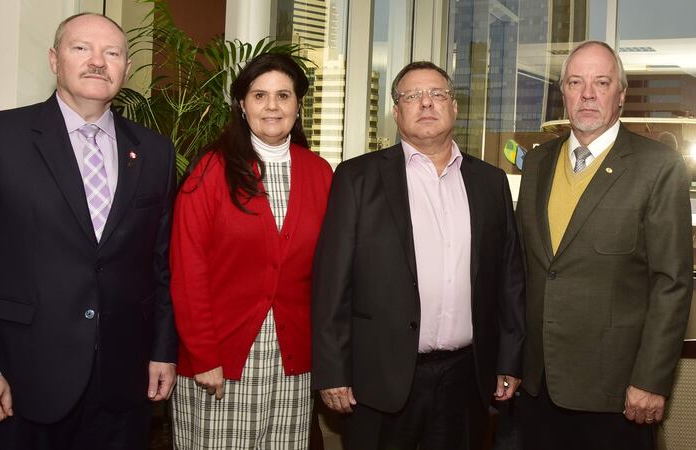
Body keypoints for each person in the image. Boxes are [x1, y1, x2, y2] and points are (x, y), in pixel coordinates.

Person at [0, 13, 178, 450]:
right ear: (53, 60)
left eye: (112, 53)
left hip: (122, 385)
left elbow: (160, 263)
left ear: (127, 68)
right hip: (18, 383)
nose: (98, 61)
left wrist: (162, 349)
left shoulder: (154, 151)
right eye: (82, 48)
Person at [311, 61, 526, 450]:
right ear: (396, 111)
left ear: (455, 107)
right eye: (413, 96)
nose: (426, 103)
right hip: (380, 381)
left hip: (467, 379)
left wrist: (509, 361)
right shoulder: (356, 178)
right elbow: (331, 284)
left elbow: (509, 280)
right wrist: (331, 370)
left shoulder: (490, 183)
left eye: (437, 94)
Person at [516, 40, 693, 450]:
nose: (588, 93)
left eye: (601, 82)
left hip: (616, 392)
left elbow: (672, 283)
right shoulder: (539, 162)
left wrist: (650, 379)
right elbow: (525, 269)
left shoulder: (657, 166)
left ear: (621, 94)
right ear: (564, 94)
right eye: (576, 82)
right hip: (538, 387)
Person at [169, 53, 332, 449]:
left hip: (292, 363)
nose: (272, 106)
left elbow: (331, 271)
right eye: (259, 95)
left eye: (283, 95)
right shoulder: (210, 170)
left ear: (298, 105)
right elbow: (187, 269)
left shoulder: (320, 173)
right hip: (220, 363)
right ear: (242, 105)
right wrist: (204, 355)